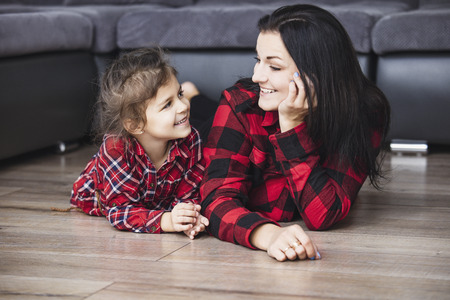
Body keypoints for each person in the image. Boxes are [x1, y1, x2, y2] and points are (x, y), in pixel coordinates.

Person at [200, 4, 390, 261]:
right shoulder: (239, 104)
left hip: (275, 110)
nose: (256, 75)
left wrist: (292, 126)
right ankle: (193, 95)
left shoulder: (364, 112)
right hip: (201, 130)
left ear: (318, 74)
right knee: (199, 114)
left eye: (274, 67)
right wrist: (267, 235)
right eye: (258, 60)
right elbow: (216, 200)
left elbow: (323, 214)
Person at [70, 48, 209, 239]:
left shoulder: (191, 140)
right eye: (167, 104)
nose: (183, 106)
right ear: (135, 124)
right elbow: (120, 212)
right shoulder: (116, 149)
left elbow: (189, 193)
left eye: (180, 94)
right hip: (102, 200)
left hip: (156, 203)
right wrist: (167, 221)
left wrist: (188, 217)